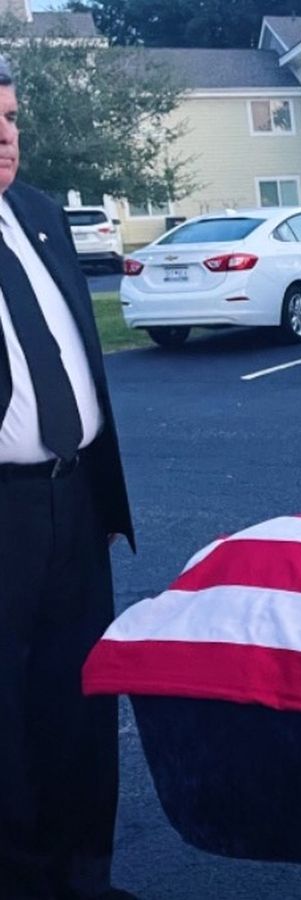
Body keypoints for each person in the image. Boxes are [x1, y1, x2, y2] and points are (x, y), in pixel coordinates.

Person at [0, 53, 136, 899]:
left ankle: (85, 880)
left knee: (80, 700)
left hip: (75, 500)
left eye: (10, 118)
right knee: (7, 724)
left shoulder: (39, 215)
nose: (4, 137)